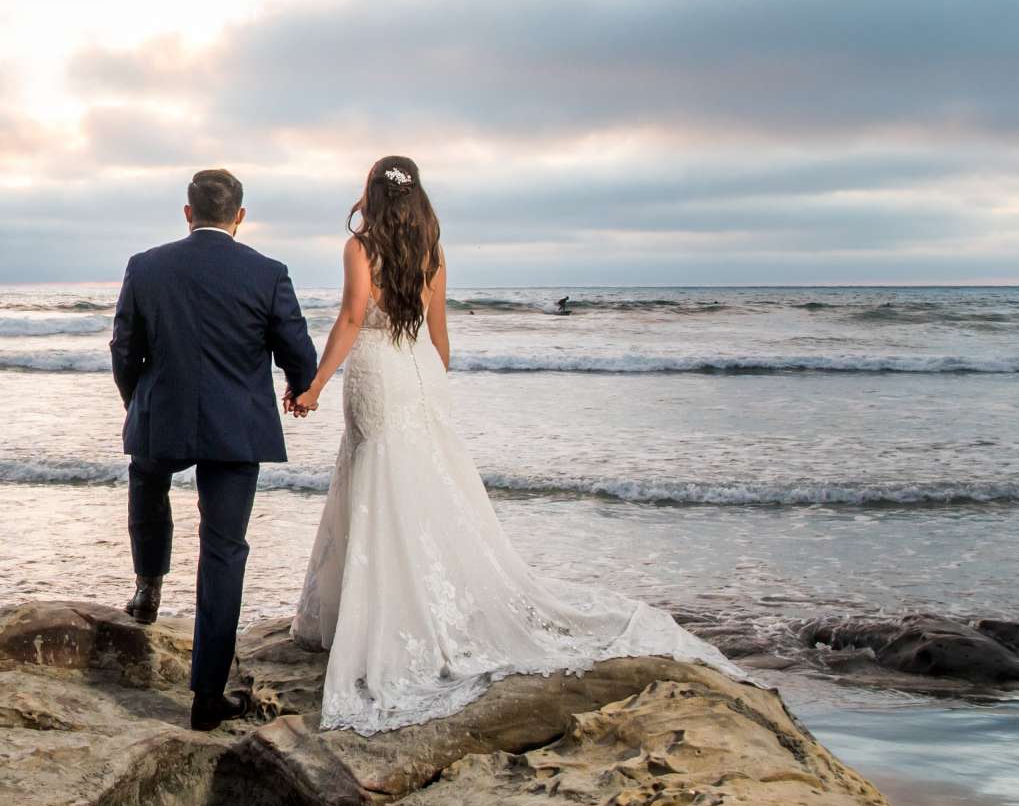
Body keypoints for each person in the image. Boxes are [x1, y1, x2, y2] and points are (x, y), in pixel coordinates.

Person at [288, 156, 745, 733]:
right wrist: (435, 378)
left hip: (379, 370)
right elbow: (439, 330)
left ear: (371, 194)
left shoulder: (360, 249)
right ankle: (425, 606)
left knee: (377, 479)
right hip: (420, 371)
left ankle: (383, 619)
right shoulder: (431, 249)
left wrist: (316, 384)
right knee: (425, 482)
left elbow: (353, 318)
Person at [111, 168, 319, 730]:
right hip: (236, 428)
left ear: (187, 213)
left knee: (147, 478)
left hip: (165, 414)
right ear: (240, 218)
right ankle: (207, 695)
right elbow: (297, 350)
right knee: (224, 550)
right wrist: (301, 388)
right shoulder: (267, 272)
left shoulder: (146, 266)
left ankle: (147, 585)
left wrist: (140, 402)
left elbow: (124, 347)